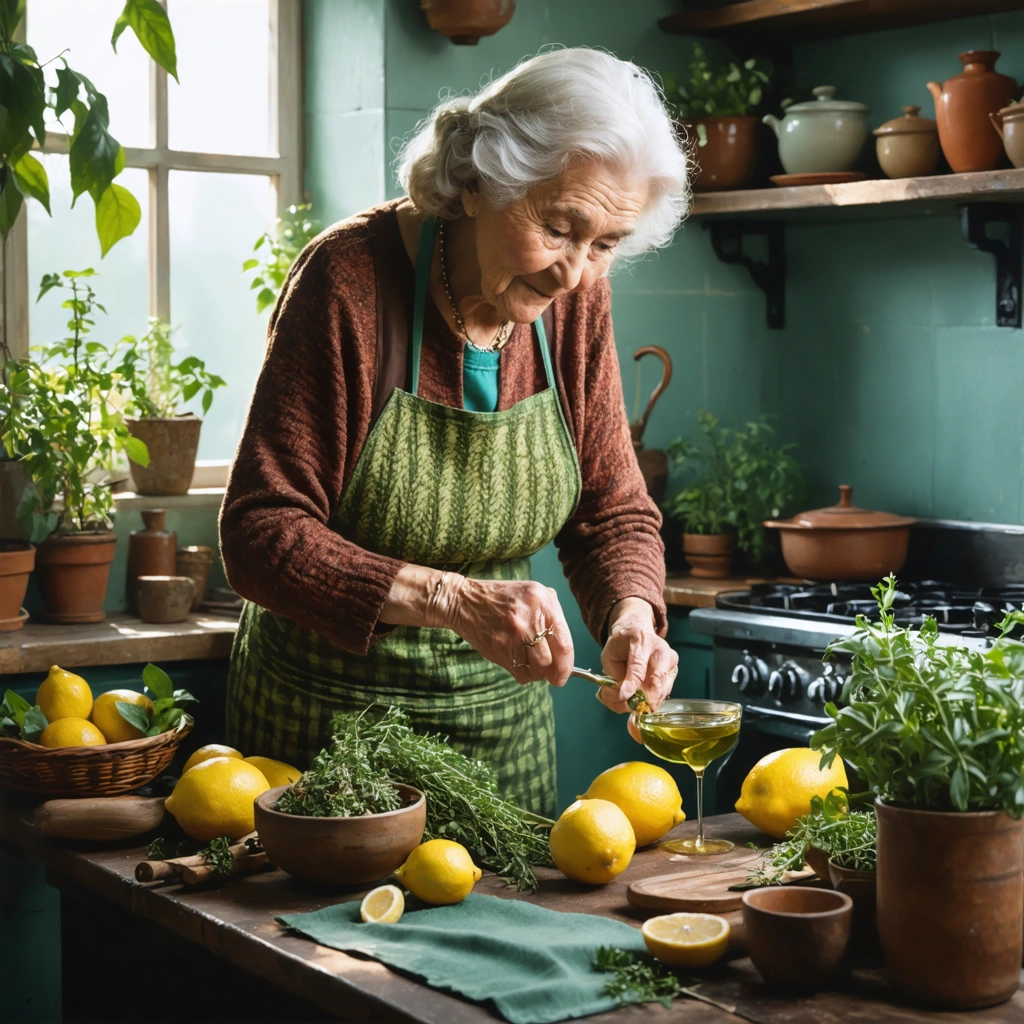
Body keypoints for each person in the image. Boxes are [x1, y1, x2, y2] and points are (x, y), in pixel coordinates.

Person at [220, 47, 690, 817]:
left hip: (501, 748)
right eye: (559, 227)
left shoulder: (573, 305)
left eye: (605, 244)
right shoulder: (348, 282)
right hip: (327, 744)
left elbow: (611, 513)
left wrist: (633, 614)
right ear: (476, 182)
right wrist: (451, 599)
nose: (575, 272)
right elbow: (260, 533)